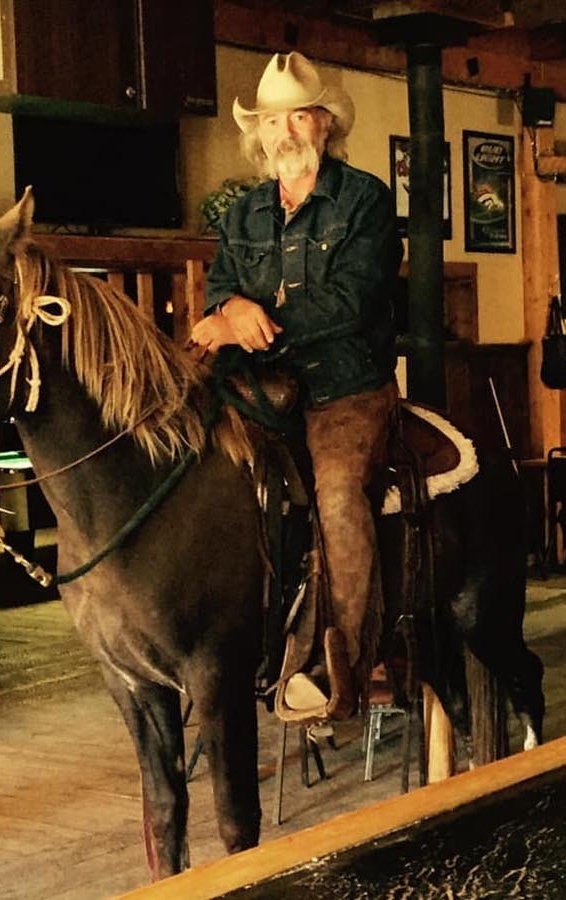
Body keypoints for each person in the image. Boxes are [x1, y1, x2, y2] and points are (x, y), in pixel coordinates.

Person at [190, 51, 402, 721]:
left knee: (338, 495)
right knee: (202, 481)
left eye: (300, 116)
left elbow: (352, 303)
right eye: (273, 120)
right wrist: (228, 312)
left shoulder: (364, 198)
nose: (286, 131)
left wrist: (256, 323)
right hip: (258, 389)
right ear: (259, 133)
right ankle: (215, 642)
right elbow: (221, 286)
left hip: (345, 387)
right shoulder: (243, 212)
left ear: (324, 124)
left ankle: (344, 664)